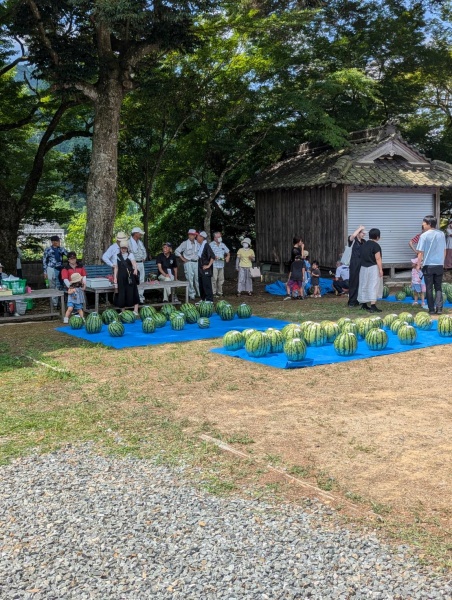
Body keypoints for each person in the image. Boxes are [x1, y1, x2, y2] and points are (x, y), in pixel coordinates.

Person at [416, 215, 447, 315]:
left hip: (428, 265)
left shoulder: (424, 236)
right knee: (438, 287)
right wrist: (442, 262)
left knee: (429, 288)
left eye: (424, 223)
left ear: (429, 224)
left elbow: (420, 252)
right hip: (439, 265)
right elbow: (444, 250)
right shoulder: (441, 234)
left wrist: (418, 264)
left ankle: (431, 309)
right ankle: (439, 309)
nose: (422, 225)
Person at [357, 228, 383, 312]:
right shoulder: (376, 245)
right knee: (373, 285)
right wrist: (380, 269)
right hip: (373, 267)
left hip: (363, 268)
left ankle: (364, 304)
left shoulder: (363, 245)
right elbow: (378, 258)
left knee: (364, 285)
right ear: (377, 237)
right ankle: (373, 305)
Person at [113, 240, 139, 315]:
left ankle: (136, 310)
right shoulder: (117, 256)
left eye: (125, 248)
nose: (123, 250)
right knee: (121, 293)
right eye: (122, 248)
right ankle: (123, 311)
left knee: (133, 292)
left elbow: (134, 263)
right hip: (121, 277)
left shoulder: (130, 255)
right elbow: (116, 268)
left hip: (130, 277)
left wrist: (135, 269)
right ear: (120, 248)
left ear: (127, 248)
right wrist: (115, 277)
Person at [42, 235, 68, 307]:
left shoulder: (61, 249)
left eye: (58, 241)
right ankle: (54, 303)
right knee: (52, 285)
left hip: (59, 268)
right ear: (52, 242)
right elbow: (44, 261)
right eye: (55, 241)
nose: (57, 242)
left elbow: (68, 255)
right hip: (50, 268)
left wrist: (62, 249)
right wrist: (45, 272)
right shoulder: (48, 249)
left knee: (59, 285)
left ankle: (60, 302)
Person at [175, 229, 200, 300]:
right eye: (190, 234)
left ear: (195, 235)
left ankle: (199, 293)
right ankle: (192, 294)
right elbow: (177, 251)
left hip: (196, 262)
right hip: (188, 262)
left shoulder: (197, 243)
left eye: (193, 235)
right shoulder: (185, 243)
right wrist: (183, 259)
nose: (191, 236)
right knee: (189, 279)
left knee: (197, 278)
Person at [347, 225, 366, 307]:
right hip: (354, 262)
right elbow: (353, 236)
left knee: (360, 282)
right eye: (362, 233)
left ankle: (358, 299)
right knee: (353, 281)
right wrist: (359, 228)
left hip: (362, 263)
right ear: (358, 233)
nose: (363, 234)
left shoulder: (364, 241)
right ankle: (351, 301)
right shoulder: (353, 240)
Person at [128, 227, 147, 304]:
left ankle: (141, 297)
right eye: (139, 234)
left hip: (141, 263)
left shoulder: (140, 242)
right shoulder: (128, 242)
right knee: (134, 281)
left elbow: (144, 251)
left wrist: (144, 257)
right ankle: (133, 298)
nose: (140, 235)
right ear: (135, 234)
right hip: (133, 264)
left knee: (142, 280)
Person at [210, 232, 230, 297]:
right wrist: (214, 256)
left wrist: (227, 257)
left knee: (221, 279)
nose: (219, 238)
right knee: (214, 279)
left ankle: (220, 292)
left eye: (220, 236)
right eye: (218, 237)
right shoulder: (211, 244)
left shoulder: (222, 244)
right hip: (214, 264)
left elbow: (228, 252)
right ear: (214, 238)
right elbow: (208, 254)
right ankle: (213, 293)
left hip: (221, 264)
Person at [197, 231, 215, 302]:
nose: (197, 237)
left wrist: (208, 266)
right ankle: (203, 299)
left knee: (207, 285)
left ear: (202, 237)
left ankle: (209, 300)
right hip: (200, 269)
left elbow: (212, 256)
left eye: (198, 236)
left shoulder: (206, 245)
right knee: (201, 285)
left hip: (206, 269)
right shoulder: (200, 245)